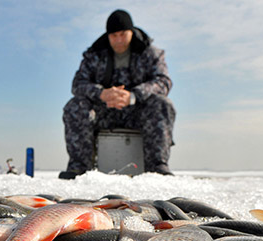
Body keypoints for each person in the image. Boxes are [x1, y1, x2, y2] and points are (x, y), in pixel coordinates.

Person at [59, 9, 176, 179]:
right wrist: (101, 94)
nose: (119, 40)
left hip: (138, 113)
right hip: (104, 113)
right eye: (114, 36)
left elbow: (163, 81)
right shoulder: (94, 55)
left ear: (131, 32)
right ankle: (79, 169)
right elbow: (77, 84)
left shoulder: (150, 53)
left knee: (162, 104)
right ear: (108, 35)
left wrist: (133, 96)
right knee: (75, 105)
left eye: (123, 34)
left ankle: (157, 167)